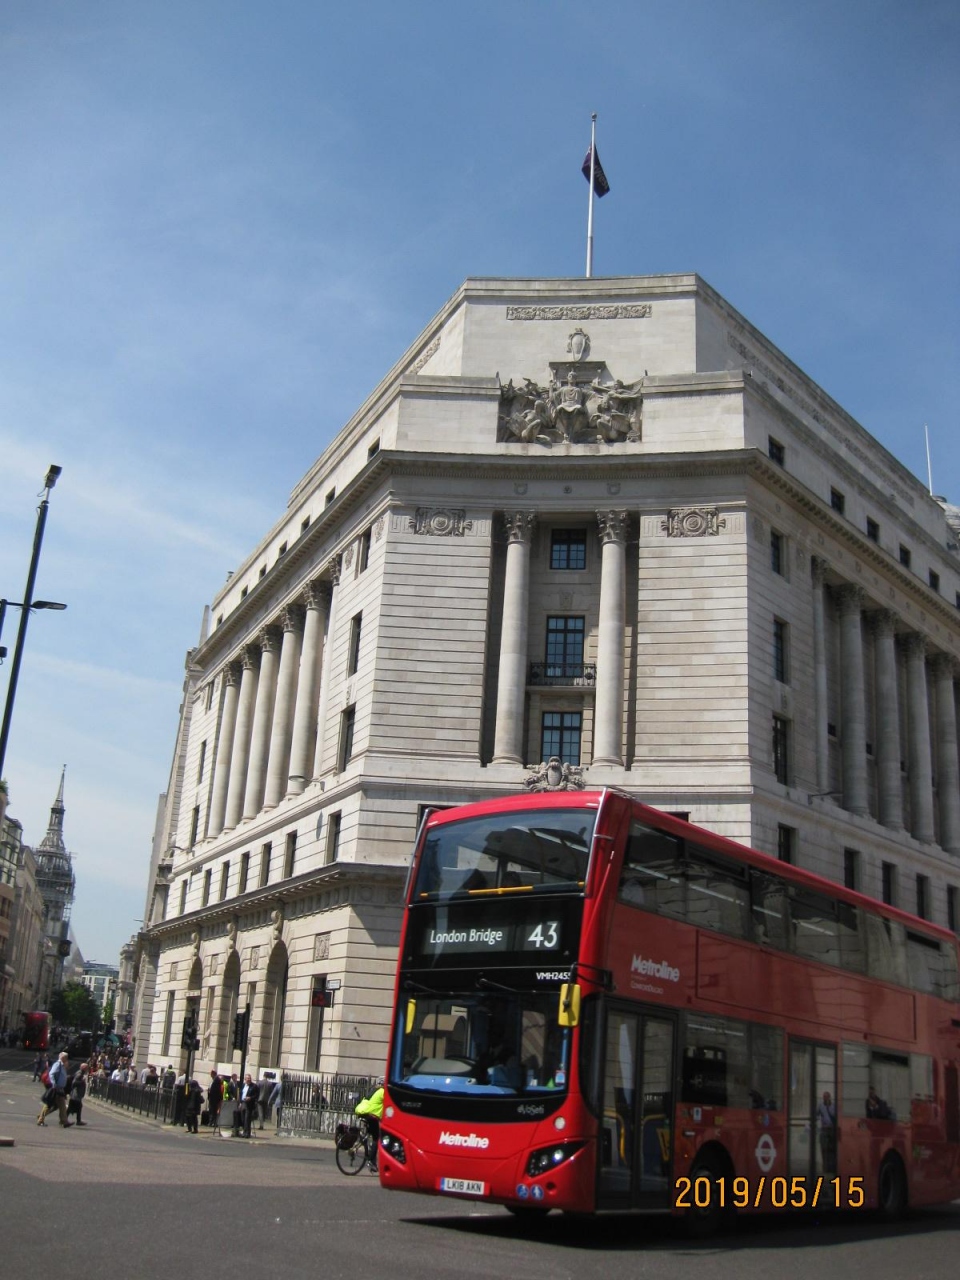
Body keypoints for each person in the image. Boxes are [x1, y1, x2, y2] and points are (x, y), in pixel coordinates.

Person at [38, 1051, 72, 1128]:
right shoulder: (58, 1064)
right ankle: (40, 1120)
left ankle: (64, 1122)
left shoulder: (62, 1065)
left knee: (62, 1106)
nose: (67, 1059)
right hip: (56, 1088)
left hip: (60, 1088)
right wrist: (54, 1084)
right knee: (48, 1105)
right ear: (63, 1058)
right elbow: (51, 1074)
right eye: (66, 1057)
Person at [354, 1083, 384, 1168]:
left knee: (371, 1133)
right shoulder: (383, 1092)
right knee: (376, 1138)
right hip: (370, 1114)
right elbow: (390, 1103)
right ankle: (371, 1161)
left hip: (361, 1111)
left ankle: (367, 1146)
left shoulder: (373, 1090)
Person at [817, 1090, 836, 1173]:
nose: (825, 1099)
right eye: (824, 1097)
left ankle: (831, 1167)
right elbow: (816, 1114)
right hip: (824, 1129)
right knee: (824, 1148)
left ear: (829, 1098)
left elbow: (835, 1116)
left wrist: (828, 1108)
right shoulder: (821, 1106)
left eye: (826, 1097)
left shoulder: (833, 1106)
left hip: (832, 1129)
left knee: (831, 1149)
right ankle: (825, 1167)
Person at [239, 1073, 259, 1138]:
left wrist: (250, 1098)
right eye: (247, 1078)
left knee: (247, 1119)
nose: (249, 1079)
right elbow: (240, 1094)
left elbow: (256, 1095)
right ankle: (244, 1132)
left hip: (249, 1104)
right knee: (243, 1118)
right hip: (243, 1103)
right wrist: (240, 1103)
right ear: (245, 1079)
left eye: (249, 1078)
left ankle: (247, 1133)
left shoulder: (254, 1086)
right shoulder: (243, 1085)